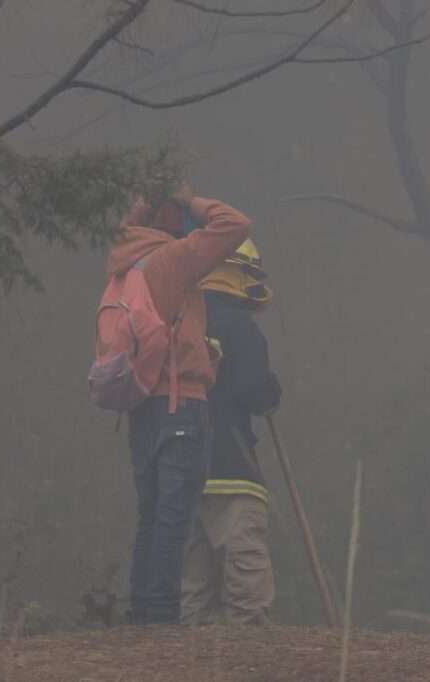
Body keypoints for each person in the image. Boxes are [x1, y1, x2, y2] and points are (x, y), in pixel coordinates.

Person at [105, 184, 252, 624]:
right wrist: (193, 200)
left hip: (140, 405)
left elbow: (127, 224)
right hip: (180, 403)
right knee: (174, 518)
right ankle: (163, 620)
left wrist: (151, 196)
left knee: (150, 517)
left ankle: (143, 614)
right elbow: (237, 225)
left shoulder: (124, 261)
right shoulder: (174, 259)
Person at [181, 238, 281, 626]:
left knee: (194, 593)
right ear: (241, 276)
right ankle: (250, 662)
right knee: (246, 584)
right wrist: (273, 389)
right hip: (232, 472)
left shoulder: (183, 323)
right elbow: (254, 391)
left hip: (183, 474)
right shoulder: (240, 327)